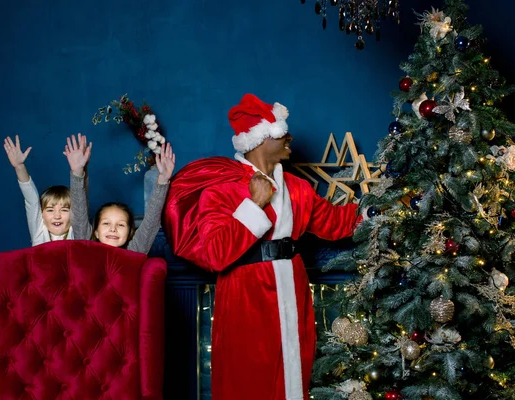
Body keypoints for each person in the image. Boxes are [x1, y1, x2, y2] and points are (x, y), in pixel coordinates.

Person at [164, 94, 363, 400]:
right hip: (245, 295)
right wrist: (255, 204)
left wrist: (376, 212)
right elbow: (216, 253)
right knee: (248, 377)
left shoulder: (298, 188)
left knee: (295, 373)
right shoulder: (222, 190)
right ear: (258, 139)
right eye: (282, 133)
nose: (290, 139)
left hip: (292, 289)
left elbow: (334, 223)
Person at [64, 133, 175, 253]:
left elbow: (151, 222)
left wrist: (163, 180)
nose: (113, 229)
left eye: (121, 225)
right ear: (95, 231)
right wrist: (78, 172)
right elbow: (79, 212)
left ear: (129, 232)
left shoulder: (134, 251)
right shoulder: (86, 248)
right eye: (106, 223)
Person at [3, 135, 74, 246]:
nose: (57, 216)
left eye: (64, 210)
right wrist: (19, 166)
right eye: (50, 210)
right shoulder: (39, 232)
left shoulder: (76, 233)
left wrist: (80, 169)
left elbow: (81, 203)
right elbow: (31, 199)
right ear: (41, 214)